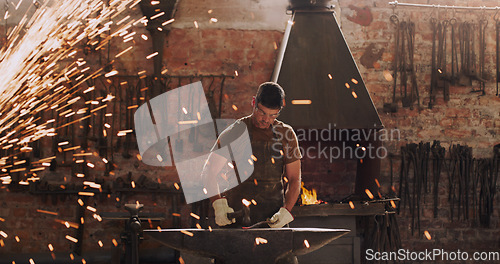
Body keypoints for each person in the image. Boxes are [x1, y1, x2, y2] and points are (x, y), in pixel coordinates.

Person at [202, 82, 302, 229]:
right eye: (262, 112)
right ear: (254, 102)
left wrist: (286, 211)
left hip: (273, 221)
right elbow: (209, 172)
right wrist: (219, 205)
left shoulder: (286, 134)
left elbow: (294, 179)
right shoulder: (236, 131)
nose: (266, 119)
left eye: (272, 115)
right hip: (238, 218)